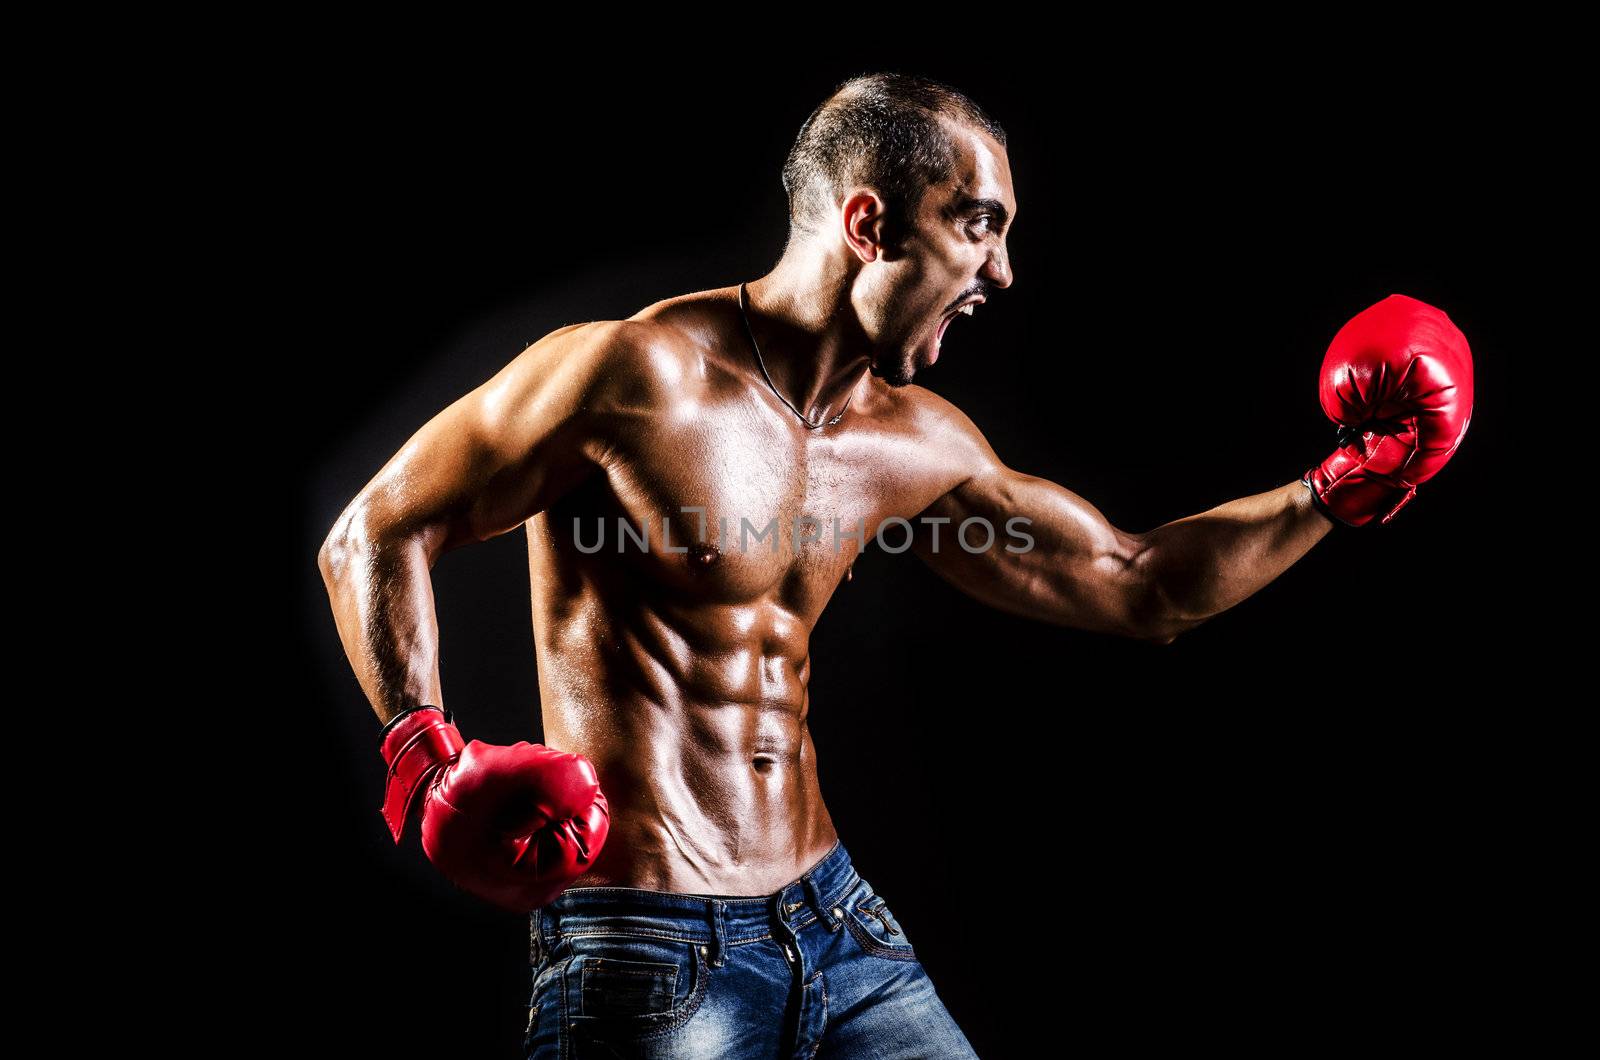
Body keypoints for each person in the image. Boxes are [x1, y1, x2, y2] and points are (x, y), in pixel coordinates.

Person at [316, 72, 1473, 1059]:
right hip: (648, 945)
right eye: (977, 224)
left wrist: (1351, 481)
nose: (1003, 271)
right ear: (870, 224)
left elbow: (1136, 583)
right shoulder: (630, 376)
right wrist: (425, 754)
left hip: (835, 920)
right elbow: (373, 531)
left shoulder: (913, 441)